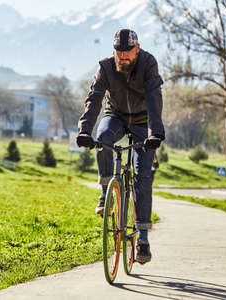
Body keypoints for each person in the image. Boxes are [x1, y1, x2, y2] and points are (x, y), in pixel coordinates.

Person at [76, 29, 165, 264]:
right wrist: (84, 130)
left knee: (142, 176)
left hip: (143, 121)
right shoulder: (105, 67)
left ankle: (143, 238)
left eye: (127, 52)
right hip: (115, 115)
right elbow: (94, 97)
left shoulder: (148, 64)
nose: (123, 57)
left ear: (137, 49)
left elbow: (155, 99)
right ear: (113, 49)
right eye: (119, 52)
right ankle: (106, 192)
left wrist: (155, 133)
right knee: (103, 139)